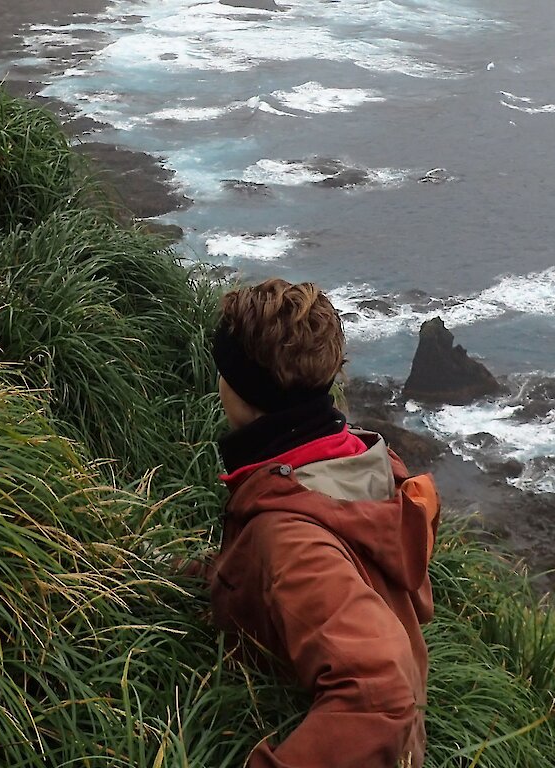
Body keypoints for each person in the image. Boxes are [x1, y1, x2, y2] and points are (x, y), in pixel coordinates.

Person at [206, 278, 440, 768]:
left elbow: (381, 695)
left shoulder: (289, 537)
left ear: (241, 388)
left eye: (223, 369)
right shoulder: (364, 457)